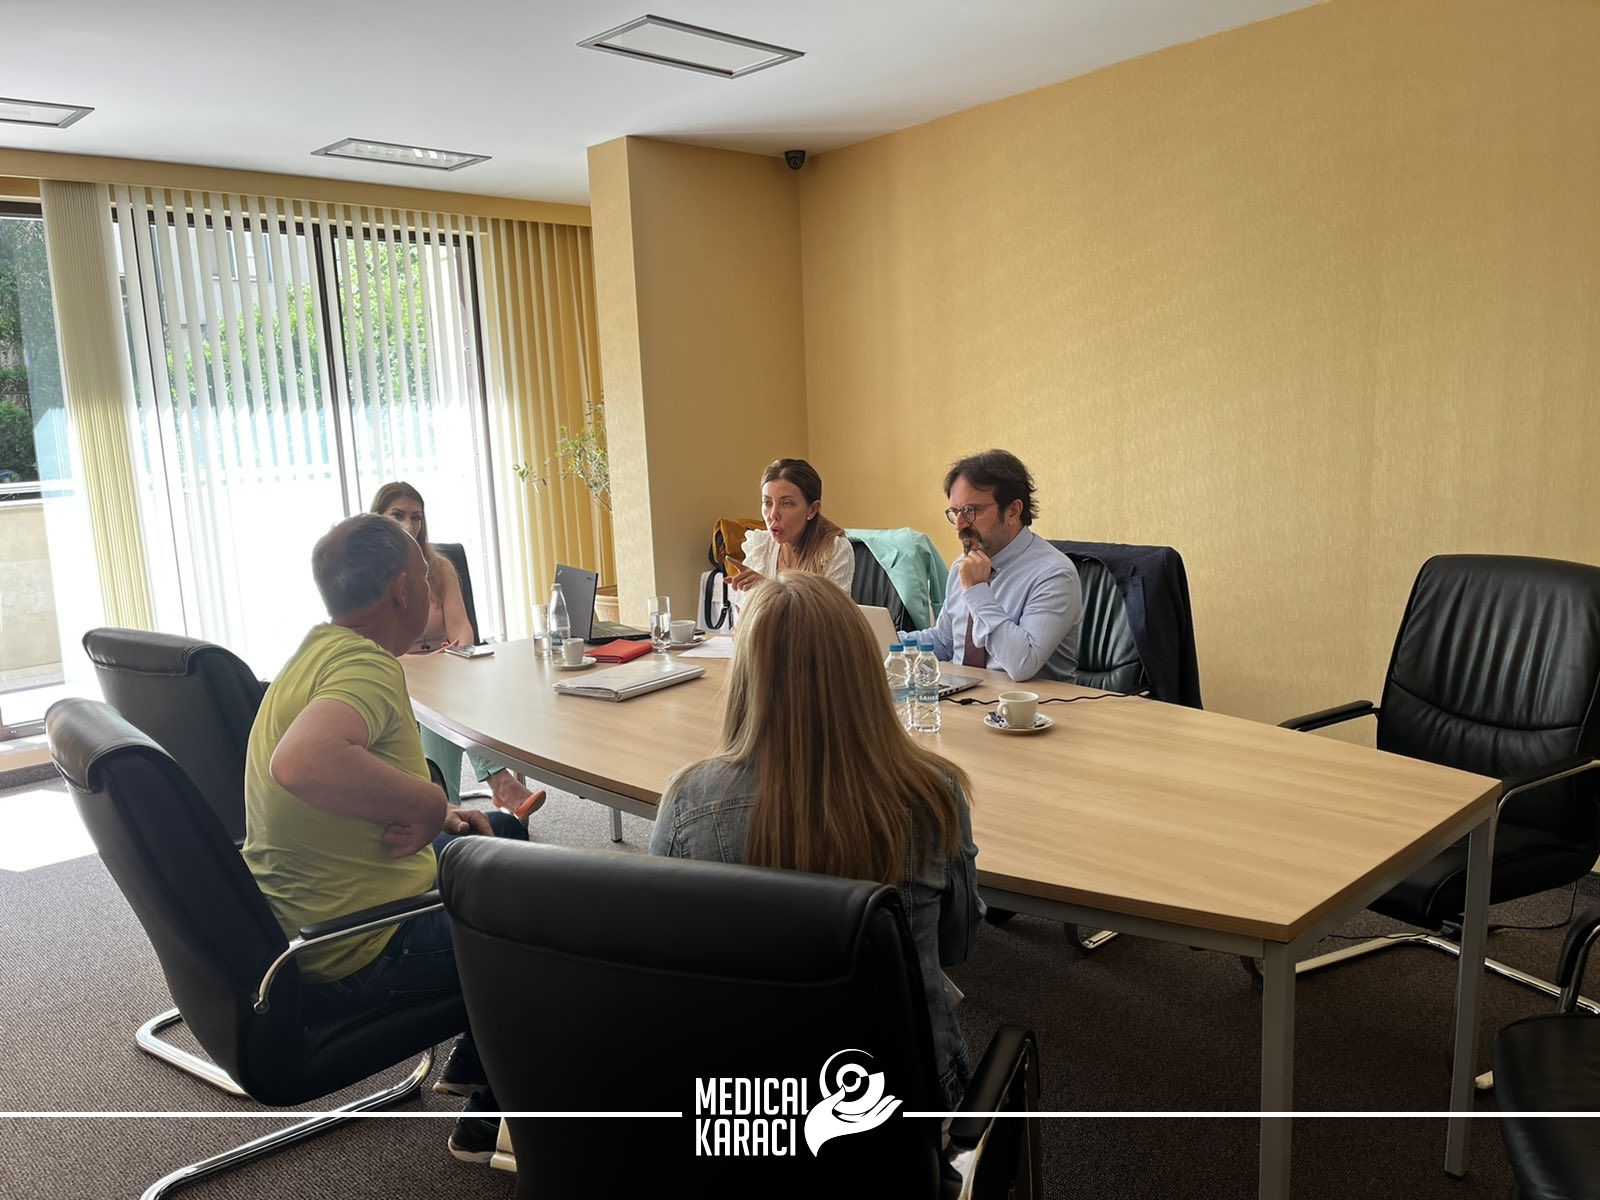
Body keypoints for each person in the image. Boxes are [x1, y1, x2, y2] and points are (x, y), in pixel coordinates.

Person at [241, 512, 520, 1163]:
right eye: (424, 574)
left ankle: (480, 1064)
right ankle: (491, 1125)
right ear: (402, 590)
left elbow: (339, 777)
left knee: (502, 833)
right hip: (359, 947)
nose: (429, 584)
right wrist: (428, 798)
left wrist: (441, 815)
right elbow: (301, 762)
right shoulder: (368, 667)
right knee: (547, 927)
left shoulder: (314, 654)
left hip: (311, 919)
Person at [649, 572, 981, 1107]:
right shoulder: (934, 793)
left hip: (748, 1103)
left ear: (746, 679)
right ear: (865, 671)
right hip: (910, 1100)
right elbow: (956, 944)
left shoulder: (689, 801)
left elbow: (664, 961)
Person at [371, 481, 544, 819]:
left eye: (416, 517)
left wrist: (457, 650)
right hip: (399, 670)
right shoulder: (371, 577)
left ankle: (446, 804)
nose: (409, 524)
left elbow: (463, 627)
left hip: (446, 668)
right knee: (443, 705)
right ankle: (497, 782)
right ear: (379, 518)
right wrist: (421, 664)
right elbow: (377, 646)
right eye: (398, 515)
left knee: (450, 696)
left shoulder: (440, 568)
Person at [905, 449, 1082, 683]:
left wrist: (977, 591)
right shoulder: (963, 565)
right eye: (955, 512)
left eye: (970, 511)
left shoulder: (1054, 574)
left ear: (1013, 511)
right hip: (961, 698)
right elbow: (945, 641)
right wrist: (881, 641)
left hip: (1028, 704)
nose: (959, 525)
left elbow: (1022, 664)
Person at [725, 458, 854, 621]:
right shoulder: (760, 545)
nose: (773, 515)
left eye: (786, 503)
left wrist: (767, 590)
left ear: (812, 509)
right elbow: (746, 619)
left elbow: (832, 622)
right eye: (767, 503)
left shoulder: (834, 549)